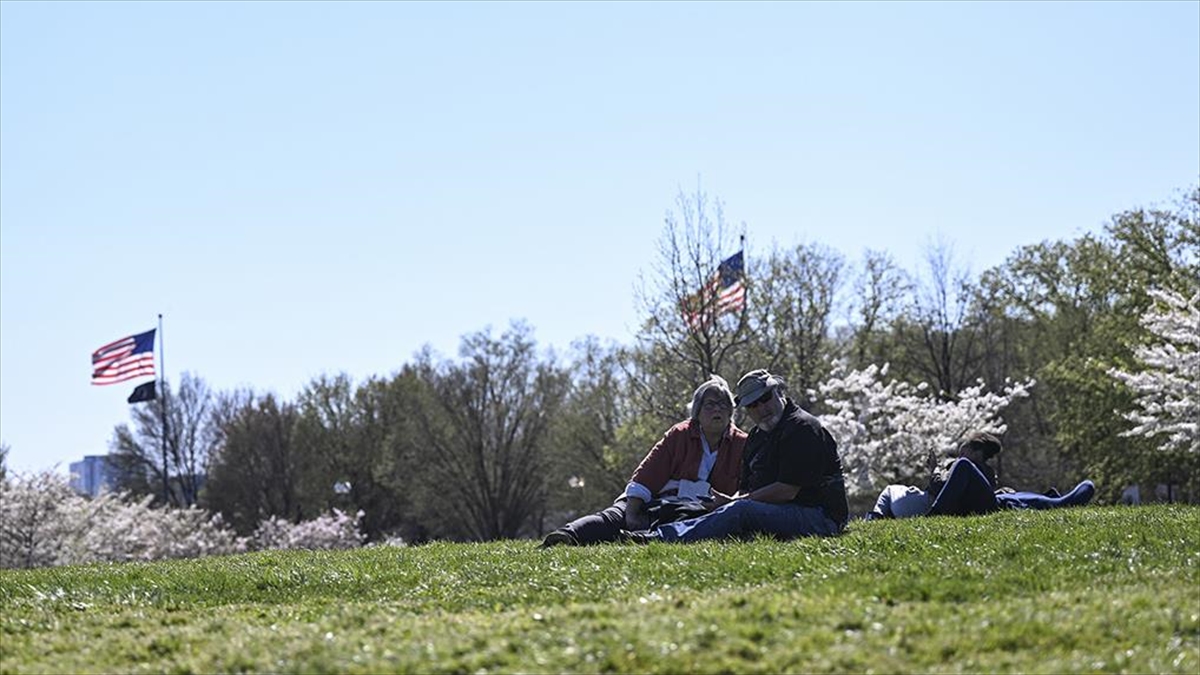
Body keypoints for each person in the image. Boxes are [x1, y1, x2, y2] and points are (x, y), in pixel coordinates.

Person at [623, 369, 849, 543]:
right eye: (752, 405)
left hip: (820, 517)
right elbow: (748, 488)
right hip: (781, 512)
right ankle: (656, 531)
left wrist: (734, 502)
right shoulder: (757, 437)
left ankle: (661, 538)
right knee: (725, 509)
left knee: (740, 510)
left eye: (765, 398)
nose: (761, 408)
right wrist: (723, 503)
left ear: (779, 392)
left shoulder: (802, 428)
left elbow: (787, 490)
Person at [540, 375, 747, 546]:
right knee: (614, 517)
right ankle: (566, 536)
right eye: (710, 404)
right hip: (654, 500)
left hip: (695, 513)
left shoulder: (742, 444)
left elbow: (746, 490)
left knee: (690, 525)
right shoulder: (680, 434)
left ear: (730, 411)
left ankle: (640, 539)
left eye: (723, 404)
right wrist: (632, 514)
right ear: (697, 412)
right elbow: (646, 475)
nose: (717, 410)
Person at [866, 432, 1095, 519]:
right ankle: (1058, 501)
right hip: (985, 504)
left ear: (976, 452)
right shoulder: (972, 471)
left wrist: (935, 470)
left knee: (968, 470)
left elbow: (939, 488)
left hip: (981, 504)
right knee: (1017, 498)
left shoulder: (969, 468)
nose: (960, 452)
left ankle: (935, 516)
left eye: (965, 448)